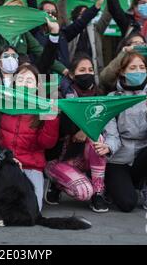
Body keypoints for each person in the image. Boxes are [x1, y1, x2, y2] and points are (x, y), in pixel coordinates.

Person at [0, 64, 60, 211]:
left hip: (30, 166)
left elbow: (46, 143)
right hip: (5, 163)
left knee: (32, 209)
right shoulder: (4, 101)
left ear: (37, 87)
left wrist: (51, 119)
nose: (24, 83)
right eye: (21, 79)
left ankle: (41, 183)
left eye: (29, 81)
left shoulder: (42, 108)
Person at [101, 52, 147, 212]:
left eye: (142, 67)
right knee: (127, 204)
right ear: (123, 72)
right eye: (133, 68)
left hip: (142, 157)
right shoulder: (112, 98)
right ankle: (115, 186)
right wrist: (108, 148)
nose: (138, 71)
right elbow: (112, 135)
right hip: (119, 159)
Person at [44, 54, 109, 212]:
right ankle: (57, 182)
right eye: (82, 70)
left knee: (97, 137)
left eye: (90, 70)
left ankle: (98, 192)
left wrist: (86, 130)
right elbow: (50, 135)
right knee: (84, 193)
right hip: (59, 157)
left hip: (84, 156)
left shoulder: (99, 96)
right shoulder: (57, 94)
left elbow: (106, 127)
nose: (87, 73)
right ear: (71, 75)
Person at [0, 0, 67, 75]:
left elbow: (40, 52)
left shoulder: (24, 33)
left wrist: (65, 71)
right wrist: (23, 61)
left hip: (19, 76)